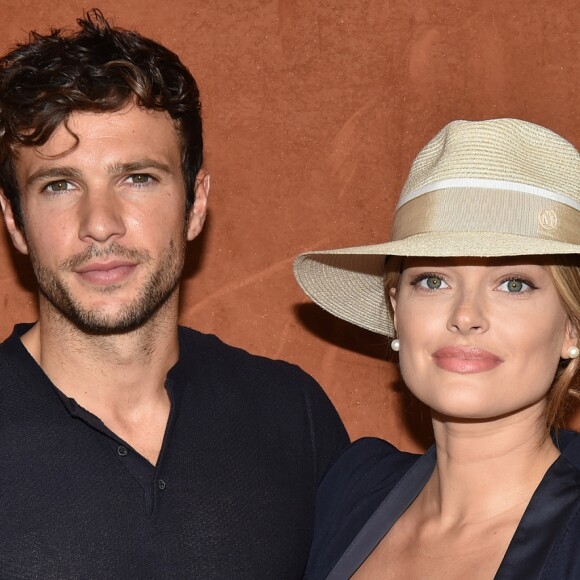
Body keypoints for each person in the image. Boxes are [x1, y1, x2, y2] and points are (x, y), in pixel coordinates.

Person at [0, 10, 349, 578]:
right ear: (14, 221)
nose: (101, 223)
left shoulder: (292, 416)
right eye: (60, 185)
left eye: (138, 178)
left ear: (197, 202)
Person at [294, 118, 580, 579]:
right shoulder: (351, 490)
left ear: (572, 327)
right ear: (395, 310)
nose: (466, 315)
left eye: (512, 283)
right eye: (432, 280)